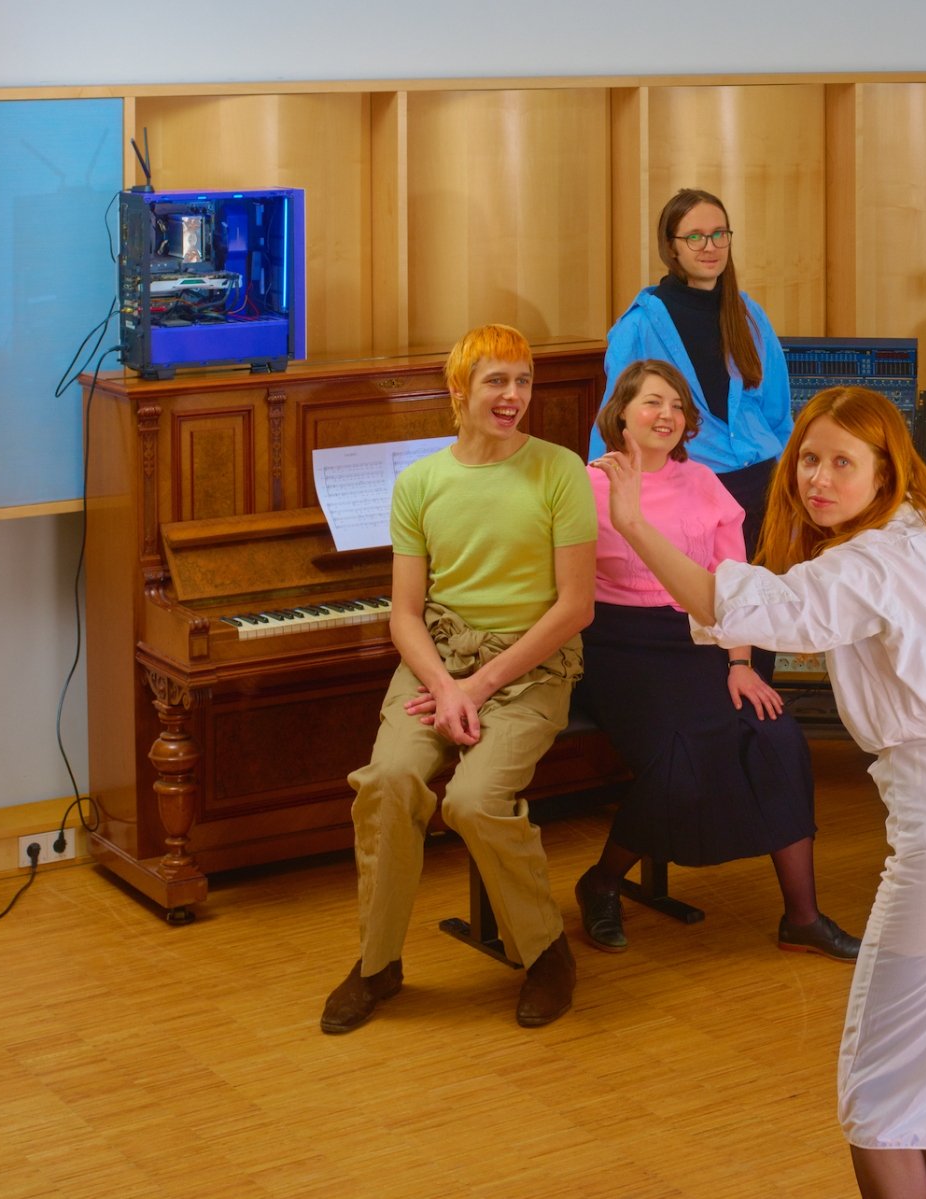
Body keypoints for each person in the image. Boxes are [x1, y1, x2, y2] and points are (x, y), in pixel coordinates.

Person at [593, 387, 926, 1199]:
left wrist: (634, 520)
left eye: (841, 462)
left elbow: (722, 600)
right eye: (808, 458)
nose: (816, 478)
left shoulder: (862, 566)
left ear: (887, 472)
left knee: (880, 1092)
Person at [319, 323, 595, 1034]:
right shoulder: (420, 482)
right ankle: (377, 964)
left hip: (530, 664)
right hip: (438, 659)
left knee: (472, 799)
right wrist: (445, 685)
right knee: (389, 781)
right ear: (459, 391)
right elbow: (404, 613)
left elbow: (575, 607)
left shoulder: (561, 470)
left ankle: (546, 952)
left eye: (523, 381)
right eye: (495, 380)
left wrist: (478, 687)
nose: (512, 396)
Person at [573, 359, 860, 961]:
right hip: (617, 646)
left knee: (775, 736)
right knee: (683, 755)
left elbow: (731, 583)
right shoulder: (585, 485)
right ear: (619, 412)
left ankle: (802, 917)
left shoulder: (705, 482)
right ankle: (601, 880)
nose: (667, 416)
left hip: (699, 638)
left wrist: (739, 662)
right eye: (652, 402)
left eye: (676, 406)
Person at [595, 187, 791, 557]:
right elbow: (611, 425)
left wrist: (788, 481)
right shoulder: (638, 326)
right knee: (702, 610)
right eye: (695, 237)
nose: (710, 246)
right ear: (672, 248)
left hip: (764, 488)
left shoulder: (750, 316)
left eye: (720, 234)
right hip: (687, 490)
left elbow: (778, 414)